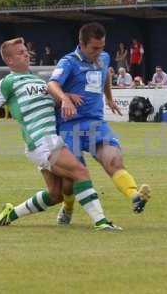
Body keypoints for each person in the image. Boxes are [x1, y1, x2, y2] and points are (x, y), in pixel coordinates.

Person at [0, 37, 120, 231]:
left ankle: (11, 213)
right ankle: (101, 221)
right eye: (20, 53)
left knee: (55, 194)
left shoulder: (41, 82)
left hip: (51, 139)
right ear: (9, 60)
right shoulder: (7, 83)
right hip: (41, 140)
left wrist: (66, 98)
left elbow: (54, 104)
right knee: (80, 172)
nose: (26, 54)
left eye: (26, 51)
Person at [47, 22, 151, 225]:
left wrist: (109, 98)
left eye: (102, 47)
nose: (99, 52)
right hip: (70, 126)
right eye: (94, 48)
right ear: (82, 44)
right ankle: (67, 208)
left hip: (95, 124)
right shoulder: (68, 62)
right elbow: (52, 84)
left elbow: (106, 76)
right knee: (70, 181)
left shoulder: (103, 58)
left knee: (113, 160)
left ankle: (134, 196)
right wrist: (65, 99)